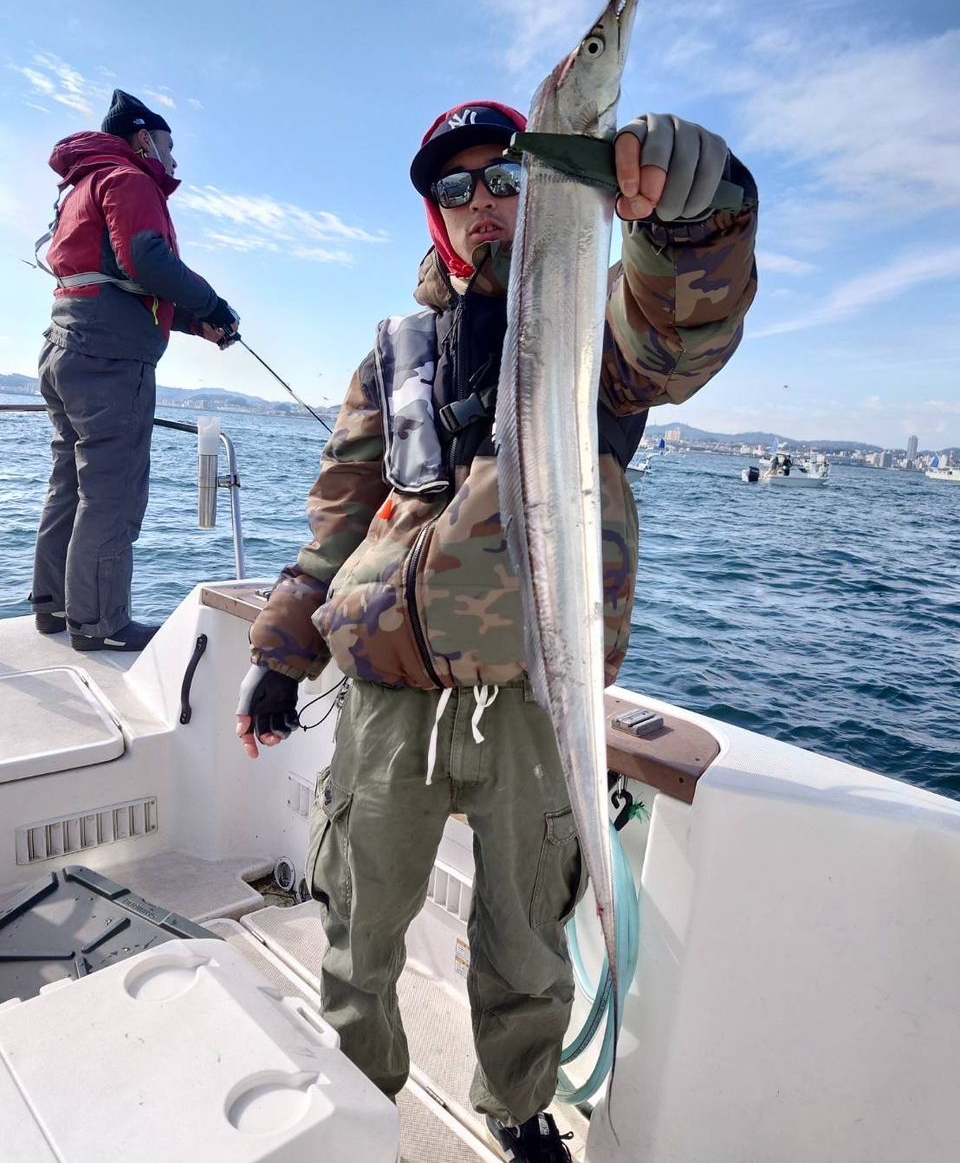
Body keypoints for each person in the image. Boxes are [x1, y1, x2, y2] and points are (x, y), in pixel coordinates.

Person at [235, 103, 758, 1161]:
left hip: (531, 699)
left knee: (526, 938)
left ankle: (519, 1106)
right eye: (456, 189)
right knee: (359, 922)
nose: (482, 203)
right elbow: (341, 508)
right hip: (388, 695)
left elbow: (674, 324)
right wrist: (281, 650)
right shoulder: (397, 351)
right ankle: (354, 1105)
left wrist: (697, 224)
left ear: (551, 192)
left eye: (505, 177)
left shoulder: (591, 332)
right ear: (437, 216)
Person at [30, 90, 240, 652]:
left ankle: (52, 608)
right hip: (109, 359)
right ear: (144, 137)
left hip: (66, 347)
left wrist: (197, 327)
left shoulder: (84, 184)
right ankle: (101, 624)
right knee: (113, 492)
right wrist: (213, 305)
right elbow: (146, 261)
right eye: (169, 146)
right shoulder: (128, 178)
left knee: (70, 482)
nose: (174, 161)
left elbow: (113, 281)